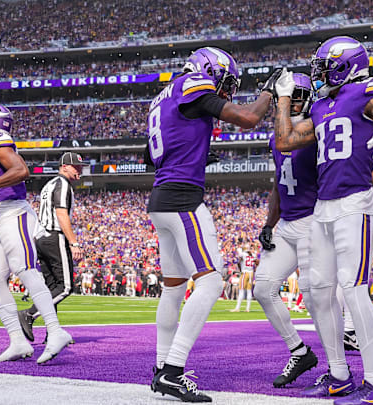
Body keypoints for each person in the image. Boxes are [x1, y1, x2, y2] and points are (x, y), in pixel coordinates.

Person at [273, 36, 373, 404]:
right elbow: (286, 141)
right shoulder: (321, 105)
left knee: (353, 291)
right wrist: (286, 99)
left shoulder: (367, 92)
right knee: (319, 293)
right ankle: (338, 373)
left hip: (356, 202)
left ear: (344, 65)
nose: (318, 73)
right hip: (323, 206)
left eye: (323, 66)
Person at [147, 46, 275, 402]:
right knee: (212, 279)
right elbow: (249, 117)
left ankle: (161, 368)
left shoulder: (163, 96)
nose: (226, 90)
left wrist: (196, 150)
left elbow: (150, 155)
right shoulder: (193, 85)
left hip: (160, 197)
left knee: (174, 287)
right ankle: (173, 370)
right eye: (227, 81)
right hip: (182, 199)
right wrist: (268, 93)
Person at [0, 103, 72, 364]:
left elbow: (21, 171)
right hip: (0, 220)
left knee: (25, 268)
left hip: (14, 214)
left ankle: (55, 331)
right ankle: (18, 341)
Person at [253, 72, 319, 387]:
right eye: (287, 96)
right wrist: (269, 223)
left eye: (297, 96)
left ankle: (340, 364)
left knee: (314, 294)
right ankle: (299, 350)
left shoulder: (317, 130)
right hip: (288, 224)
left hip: (314, 221)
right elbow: (279, 184)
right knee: (263, 288)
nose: (291, 102)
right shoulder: (275, 138)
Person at [18, 152, 87, 343]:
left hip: (41, 237)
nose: (79, 170)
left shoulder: (49, 184)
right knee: (65, 287)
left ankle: (53, 332)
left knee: (52, 286)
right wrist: (74, 242)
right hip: (54, 236)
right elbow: (61, 214)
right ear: (64, 166)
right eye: (76, 166)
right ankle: (29, 314)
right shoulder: (63, 184)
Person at [231, 247, 257, 312]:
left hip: (245, 273)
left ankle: (237, 308)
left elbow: (238, 261)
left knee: (241, 290)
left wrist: (240, 269)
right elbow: (255, 265)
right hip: (251, 273)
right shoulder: (253, 255)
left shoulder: (243, 254)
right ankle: (248, 308)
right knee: (248, 291)